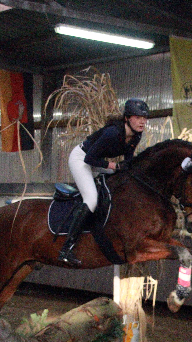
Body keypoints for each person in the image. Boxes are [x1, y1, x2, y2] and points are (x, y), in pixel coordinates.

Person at [57, 98, 149, 266]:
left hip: (96, 162)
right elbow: (89, 158)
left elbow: (128, 161)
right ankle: (66, 248)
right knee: (91, 199)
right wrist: (114, 165)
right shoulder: (112, 133)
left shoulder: (136, 135)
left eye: (144, 118)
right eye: (138, 117)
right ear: (127, 118)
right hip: (81, 160)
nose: (142, 121)